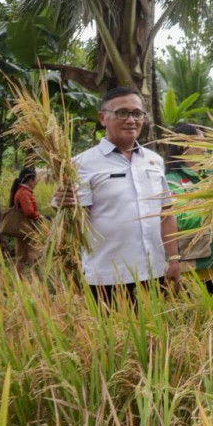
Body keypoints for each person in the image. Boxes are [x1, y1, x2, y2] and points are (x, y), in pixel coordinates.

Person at [55, 87, 180, 309]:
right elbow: (75, 221)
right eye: (122, 113)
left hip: (154, 272)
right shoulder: (81, 164)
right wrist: (63, 205)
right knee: (112, 331)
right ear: (102, 118)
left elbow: (166, 213)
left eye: (137, 113)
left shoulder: (154, 160)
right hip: (107, 276)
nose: (131, 120)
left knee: (157, 330)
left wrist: (174, 258)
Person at [165, 123, 213, 295]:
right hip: (193, 267)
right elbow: (179, 220)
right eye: (199, 142)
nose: (204, 147)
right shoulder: (170, 181)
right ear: (181, 146)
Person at [9, 166, 40, 269]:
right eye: (34, 181)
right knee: (33, 254)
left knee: (21, 256)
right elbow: (29, 212)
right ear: (30, 180)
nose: (35, 183)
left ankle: (20, 278)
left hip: (21, 227)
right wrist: (39, 216)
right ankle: (36, 277)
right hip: (26, 227)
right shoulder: (24, 193)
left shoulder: (21, 191)